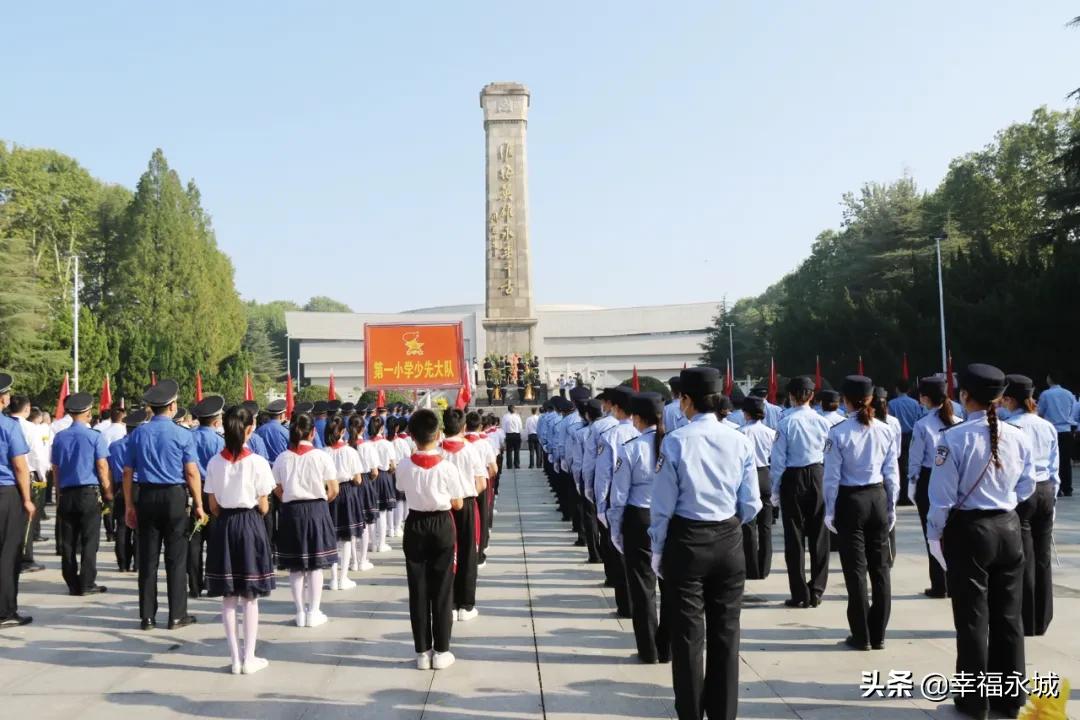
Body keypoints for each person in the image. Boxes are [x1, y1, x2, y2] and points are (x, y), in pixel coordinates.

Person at [649, 367, 760, 720]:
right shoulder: (740, 439)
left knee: (687, 637)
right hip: (728, 538)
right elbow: (752, 502)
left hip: (687, 540)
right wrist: (729, 525)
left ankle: (692, 715)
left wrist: (657, 548)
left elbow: (663, 505)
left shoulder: (677, 441)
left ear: (687, 400)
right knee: (727, 633)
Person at [928, 364, 1035, 720]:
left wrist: (934, 533)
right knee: (1008, 616)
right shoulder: (1019, 434)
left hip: (971, 530)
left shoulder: (952, 438)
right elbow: (1027, 487)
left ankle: (975, 700)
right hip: (1008, 526)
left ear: (964, 396)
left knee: (973, 618)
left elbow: (941, 498)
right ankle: (1011, 697)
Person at [823, 376, 899, 651]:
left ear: (845, 400)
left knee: (855, 571)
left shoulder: (839, 431)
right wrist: (891, 506)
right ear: (869, 399)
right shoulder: (886, 429)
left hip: (850, 500)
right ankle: (879, 633)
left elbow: (831, 477)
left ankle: (862, 634)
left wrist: (830, 510)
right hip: (877, 497)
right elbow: (892, 473)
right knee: (880, 569)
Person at [123, 379, 205, 630]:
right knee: (176, 559)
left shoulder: (138, 433)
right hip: (174, 497)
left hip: (146, 496)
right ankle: (176, 615)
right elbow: (191, 472)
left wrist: (128, 505)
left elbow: (127, 472)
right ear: (172, 406)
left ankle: (147, 616)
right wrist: (199, 504)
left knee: (147, 560)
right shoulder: (182, 434)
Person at [203, 405, 276, 675]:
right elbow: (265, 504)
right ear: (248, 429)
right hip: (249, 524)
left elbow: (213, 505)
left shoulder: (214, 462)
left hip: (223, 526)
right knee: (250, 596)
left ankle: (235, 659)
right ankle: (249, 657)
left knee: (229, 597)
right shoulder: (257, 462)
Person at [396, 409, 465, 670]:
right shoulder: (447, 467)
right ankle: (442, 650)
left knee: (418, 589)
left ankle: (422, 651)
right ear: (437, 435)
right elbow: (458, 503)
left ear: (412, 436)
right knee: (443, 587)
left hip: (415, 523)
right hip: (442, 523)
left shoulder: (404, 464)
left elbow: (401, 488)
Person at [609, 391, 670, 664]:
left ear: (638, 418)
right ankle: (667, 647)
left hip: (639, 519)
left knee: (643, 587)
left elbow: (619, 495)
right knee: (671, 587)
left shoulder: (632, 448)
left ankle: (649, 650)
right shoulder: (675, 445)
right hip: (670, 518)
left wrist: (615, 528)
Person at [1002, 374, 1058, 637]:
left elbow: (1010, 467)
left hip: (1023, 493)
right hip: (1046, 489)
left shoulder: (1011, 427)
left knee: (1023, 558)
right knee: (1043, 556)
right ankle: (1042, 618)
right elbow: (1055, 465)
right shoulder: (1046, 426)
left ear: (1010, 399)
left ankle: (1026, 616)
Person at [769, 376, 832, 608]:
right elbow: (830, 454)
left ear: (791, 396)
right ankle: (817, 589)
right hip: (818, 474)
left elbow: (778, 460)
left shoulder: (786, 422)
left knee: (794, 537)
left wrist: (775, 490)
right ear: (812, 396)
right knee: (819, 534)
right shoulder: (823, 422)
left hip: (793, 477)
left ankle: (799, 593)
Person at [272, 413, 339, 628]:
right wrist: (321, 501)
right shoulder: (321, 456)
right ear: (312, 433)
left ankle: (300, 612)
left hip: (291, 511)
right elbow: (334, 489)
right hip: (317, 508)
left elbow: (276, 487)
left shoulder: (283, 457)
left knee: (295, 565)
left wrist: (288, 499)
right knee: (316, 565)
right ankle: (314, 611)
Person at [51, 392, 114, 596]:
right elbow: (102, 466)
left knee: (68, 541)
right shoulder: (94, 436)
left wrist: (59, 493)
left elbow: (56, 469)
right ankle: (87, 582)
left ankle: (71, 581)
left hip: (67, 493)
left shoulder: (60, 437)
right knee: (89, 540)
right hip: (88, 493)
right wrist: (108, 492)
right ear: (87, 412)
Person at [906, 376, 959, 598]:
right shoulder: (958, 421)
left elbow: (916, 459)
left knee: (933, 533)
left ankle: (939, 584)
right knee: (953, 534)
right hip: (954, 479)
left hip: (929, 479)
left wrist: (911, 482)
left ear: (926, 398)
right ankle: (954, 580)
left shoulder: (922, 425)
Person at [594, 386, 640, 619]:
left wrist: (601, 505)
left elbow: (603, 475)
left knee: (621, 553)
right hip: (648, 503)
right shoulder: (649, 433)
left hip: (619, 499)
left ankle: (627, 605)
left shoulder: (611, 435)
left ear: (617, 408)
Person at [439, 408, 486, 622]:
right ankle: (466, 605)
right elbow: (481, 482)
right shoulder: (470, 450)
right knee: (468, 552)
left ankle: (448, 603)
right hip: (466, 504)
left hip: (444, 506)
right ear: (463, 427)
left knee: (445, 555)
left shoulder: (438, 450)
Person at [0, 374, 33, 628]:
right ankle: (6, 611)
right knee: (8, 554)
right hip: (6, 493)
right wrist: (28, 499)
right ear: (3, 399)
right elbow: (20, 467)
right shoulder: (9, 426)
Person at [189, 395, 226, 599]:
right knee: (213, 541)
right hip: (213, 493)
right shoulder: (219, 442)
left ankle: (194, 584)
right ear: (216, 420)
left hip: (192, 492)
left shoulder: (188, 437)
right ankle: (212, 583)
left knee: (193, 541)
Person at [323, 415, 365, 591]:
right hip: (347, 492)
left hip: (328, 493)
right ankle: (343, 578)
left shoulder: (324, 452)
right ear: (342, 432)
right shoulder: (350, 452)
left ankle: (333, 578)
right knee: (347, 538)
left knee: (332, 536)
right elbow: (357, 479)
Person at [739, 396, 777, 580]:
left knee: (749, 523)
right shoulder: (770, 432)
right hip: (765, 474)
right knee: (765, 525)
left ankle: (751, 567)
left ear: (745, 413)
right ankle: (765, 567)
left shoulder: (741, 433)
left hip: (749, 475)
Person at [10, 396, 47, 572]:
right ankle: (25, 558)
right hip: (28, 475)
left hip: (8, 479)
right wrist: (42, 475)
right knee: (28, 520)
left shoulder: (7, 423)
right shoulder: (30, 428)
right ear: (27, 409)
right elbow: (38, 455)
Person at [109, 409, 146, 572]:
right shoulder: (143, 445)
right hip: (139, 486)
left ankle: (122, 563)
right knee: (139, 528)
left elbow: (109, 470)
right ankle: (138, 563)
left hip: (119, 487)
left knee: (122, 527)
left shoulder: (115, 446)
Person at [871, 387, 902, 566]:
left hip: (873, 476)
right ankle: (889, 555)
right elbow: (896, 451)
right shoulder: (893, 423)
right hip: (888, 472)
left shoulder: (867, 422)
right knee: (889, 518)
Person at [465, 411, 498, 567]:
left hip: (463, 483)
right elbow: (493, 468)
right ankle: (480, 550)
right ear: (480, 426)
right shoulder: (484, 443)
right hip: (481, 481)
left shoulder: (461, 442)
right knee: (482, 516)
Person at [1037, 373, 1074, 496]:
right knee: (1066, 460)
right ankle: (1067, 487)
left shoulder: (1045, 394)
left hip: (1051, 429)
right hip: (1066, 429)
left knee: (1052, 459)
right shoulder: (1069, 394)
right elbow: (1073, 411)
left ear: (1049, 379)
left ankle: (1056, 487)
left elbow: (1040, 412)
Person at [888, 380, 923, 506]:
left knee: (898, 466)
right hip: (912, 436)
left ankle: (901, 494)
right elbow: (919, 419)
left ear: (897, 389)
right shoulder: (915, 403)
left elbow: (889, 420)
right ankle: (910, 494)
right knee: (911, 465)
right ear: (908, 390)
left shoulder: (892, 403)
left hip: (897, 435)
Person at [366, 415, 398, 553]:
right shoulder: (387, 444)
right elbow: (393, 465)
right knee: (383, 512)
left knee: (371, 513)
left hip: (369, 477)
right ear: (382, 428)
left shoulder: (366, 444)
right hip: (384, 476)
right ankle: (381, 543)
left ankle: (372, 543)